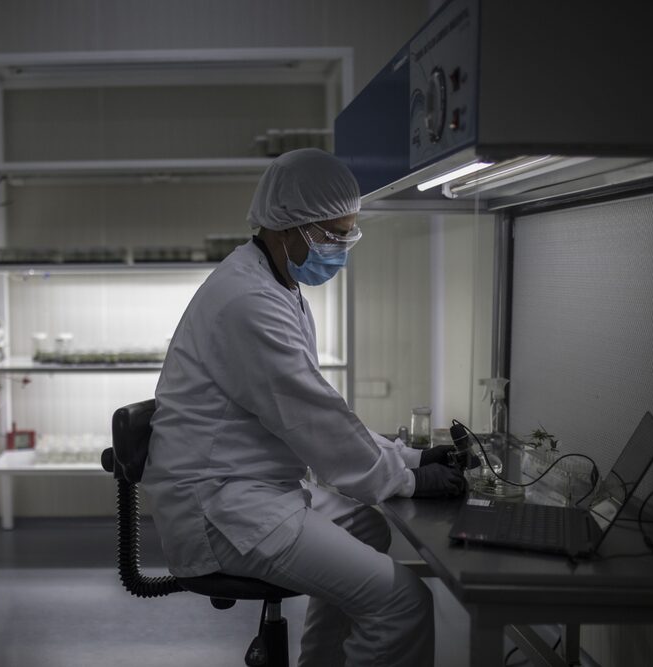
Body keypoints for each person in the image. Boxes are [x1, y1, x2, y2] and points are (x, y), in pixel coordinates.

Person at [142, 148, 467, 667]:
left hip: (252, 486)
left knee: (369, 526)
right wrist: (405, 479)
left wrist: (409, 460)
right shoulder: (248, 301)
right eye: (333, 234)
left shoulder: (274, 281)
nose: (341, 247)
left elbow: (317, 411)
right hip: (223, 508)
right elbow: (313, 417)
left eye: (349, 234)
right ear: (286, 227)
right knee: (402, 603)